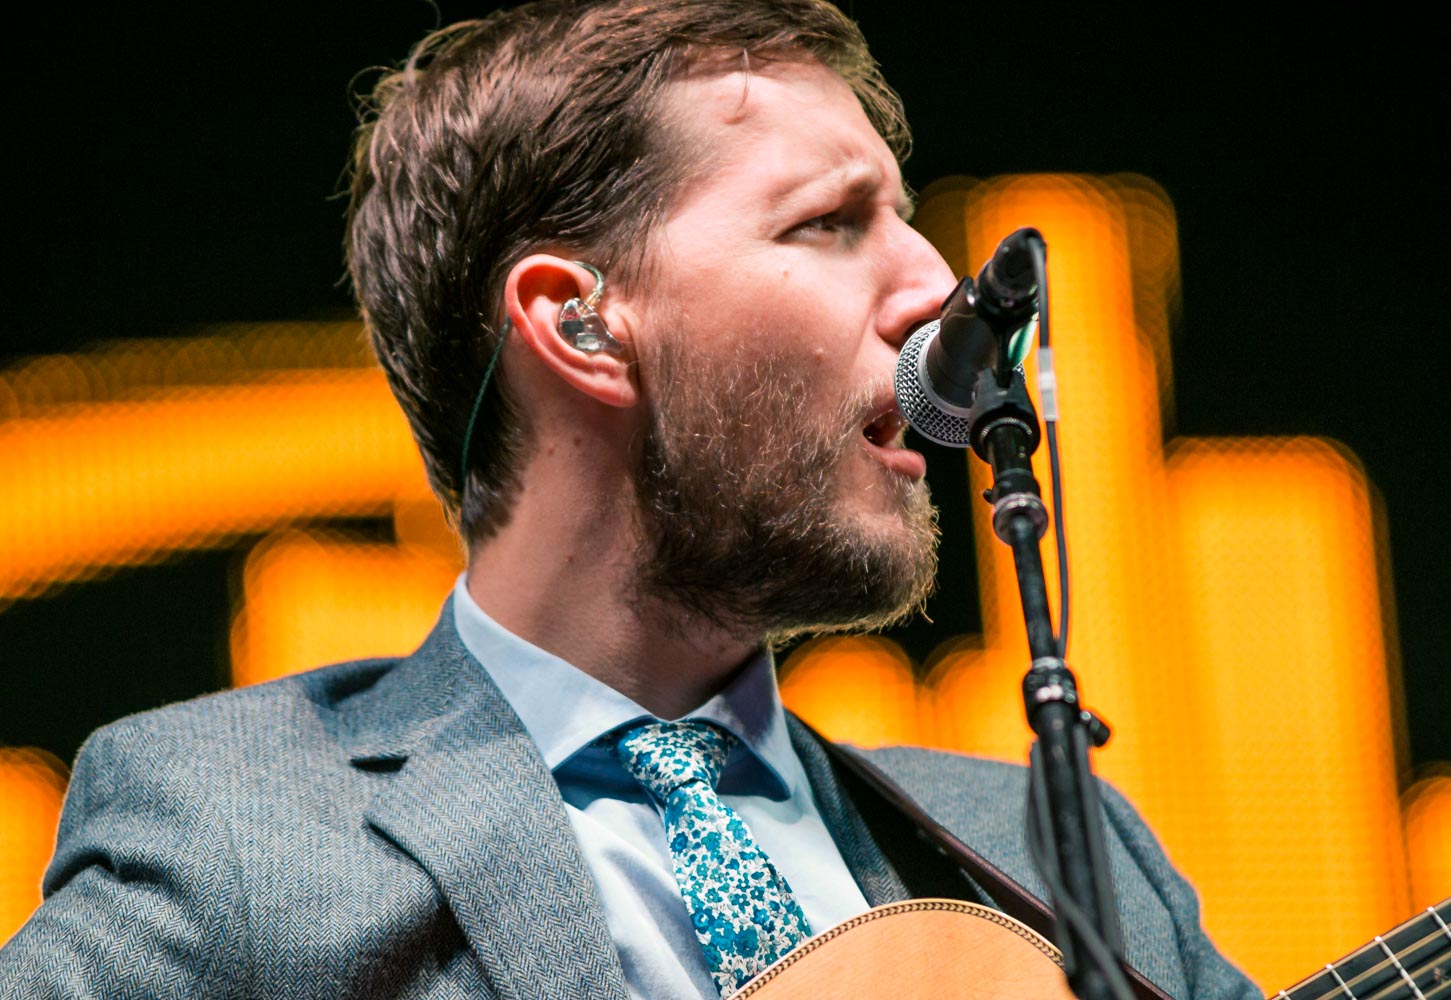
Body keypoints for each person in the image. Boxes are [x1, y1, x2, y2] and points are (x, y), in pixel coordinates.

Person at [0, 1, 1261, 997]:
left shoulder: (1067, 856)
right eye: (829, 222)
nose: (938, 286)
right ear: (582, 322)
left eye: (907, 216)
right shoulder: (236, 824)